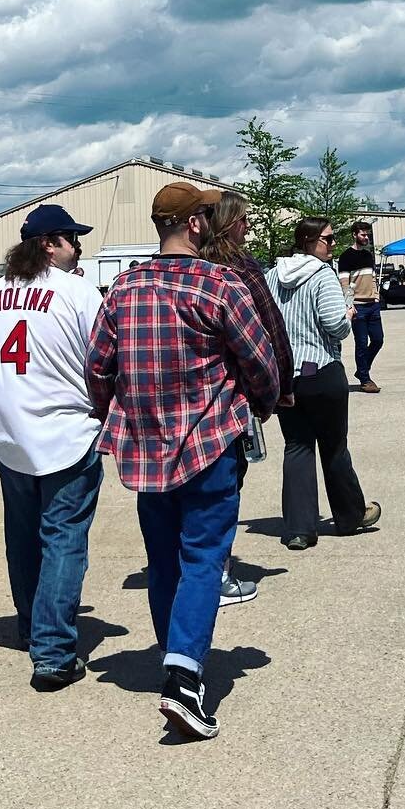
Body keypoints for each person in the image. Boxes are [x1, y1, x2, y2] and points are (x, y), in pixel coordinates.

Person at [85, 181, 280, 740]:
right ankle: (184, 678)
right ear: (195, 224)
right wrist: (259, 406)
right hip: (210, 444)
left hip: (145, 449)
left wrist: (118, 415)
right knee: (203, 560)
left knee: (163, 559)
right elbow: (260, 361)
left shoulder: (124, 287)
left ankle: (175, 660)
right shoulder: (219, 286)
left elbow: (98, 367)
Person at [0, 204, 104, 691]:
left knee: (23, 537)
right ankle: (54, 652)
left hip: (11, 439)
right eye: (70, 238)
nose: (77, 246)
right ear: (47, 245)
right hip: (66, 433)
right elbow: (105, 364)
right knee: (62, 539)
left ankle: (29, 627)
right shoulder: (79, 292)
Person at [205, 192, 295, 606]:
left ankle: (189, 568)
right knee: (227, 483)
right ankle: (215, 572)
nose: (249, 227)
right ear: (229, 222)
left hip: (177, 395)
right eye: (244, 220)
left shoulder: (187, 264)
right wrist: (282, 387)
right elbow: (270, 327)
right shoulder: (241, 267)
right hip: (231, 391)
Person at [272, 218, 381, 550]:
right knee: (334, 446)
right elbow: (335, 326)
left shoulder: (272, 275)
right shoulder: (323, 276)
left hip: (287, 373)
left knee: (297, 446)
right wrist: (348, 314)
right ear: (309, 241)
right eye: (329, 239)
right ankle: (349, 515)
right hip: (321, 369)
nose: (333, 245)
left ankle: (299, 529)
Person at [342, 221, 384, 394]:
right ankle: (365, 380)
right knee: (361, 342)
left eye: (367, 234)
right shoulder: (346, 257)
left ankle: (361, 370)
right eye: (363, 234)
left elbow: (372, 278)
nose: (366, 237)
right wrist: (349, 305)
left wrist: (376, 296)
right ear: (354, 235)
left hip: (372, 305)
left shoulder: (368, 255)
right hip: (358, 306)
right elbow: (344, 283)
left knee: (378, 339)